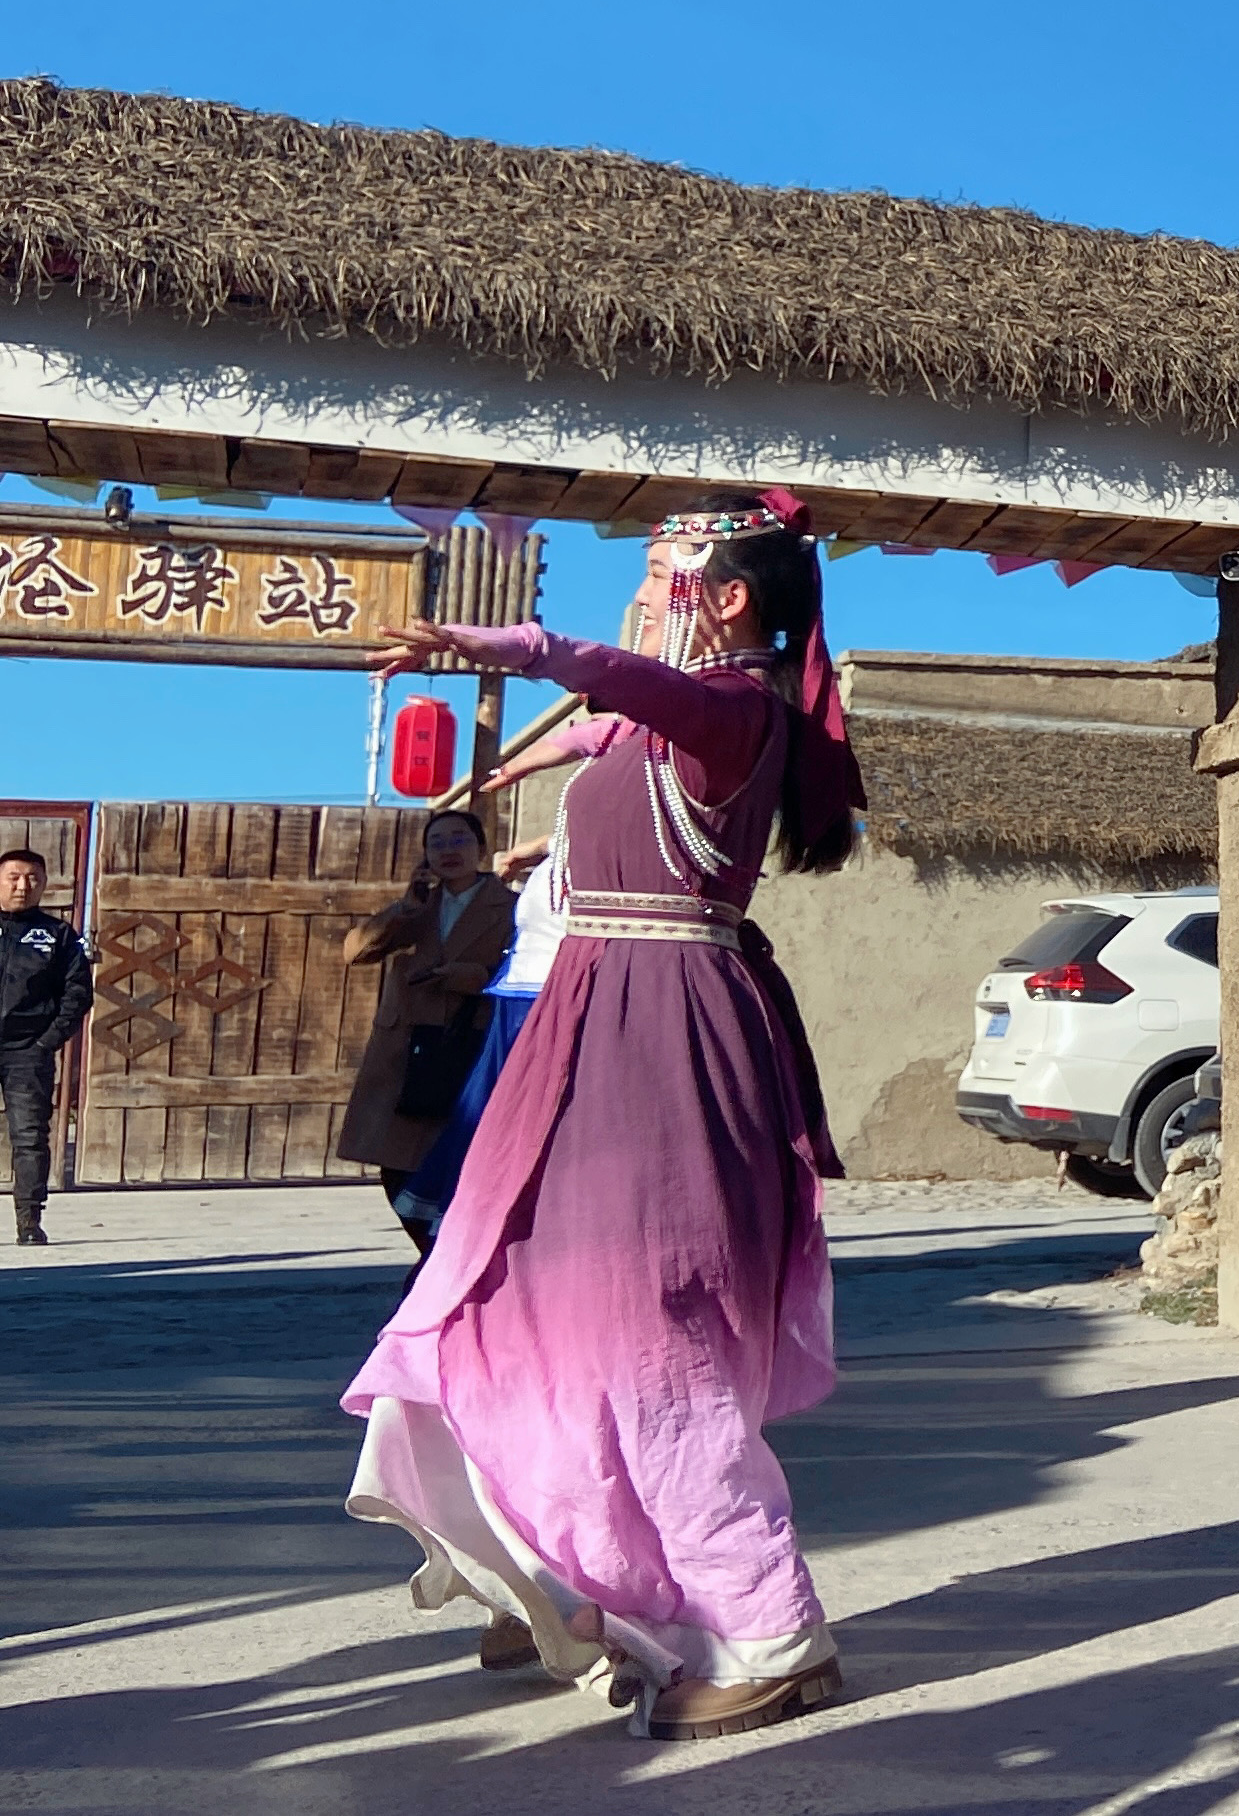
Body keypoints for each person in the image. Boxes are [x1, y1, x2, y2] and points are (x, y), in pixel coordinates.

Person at [341, 493, 865, 1741]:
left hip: (665, 1039)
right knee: (510, 1294)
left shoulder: (734, 713)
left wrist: (489, 646)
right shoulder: (653, 726)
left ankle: (771, 1625)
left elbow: (613, 673)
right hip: (593, 1027)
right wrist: (516, 759)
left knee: (649, 1335)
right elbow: (603, 722)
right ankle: (560, 1576)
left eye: (659, 575)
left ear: (726, 600)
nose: (639, 594)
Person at [388, 716, 622, 1241]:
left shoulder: (631, 788)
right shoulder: (422, 902)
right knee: (479, 1123)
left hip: (544, 992)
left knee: (519, 1121)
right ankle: (462, 1228)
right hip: (503, 999)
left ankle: (500, 1224)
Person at [337, 807, 515, 1251]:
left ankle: (447, 1261)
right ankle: (431, 1257)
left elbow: (522, 968)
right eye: (437, 843)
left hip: (465, 1043)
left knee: (453, 1156)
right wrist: (405, 907)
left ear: (481, 848)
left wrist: (470, 974)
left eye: (459, 840)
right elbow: (355, 953)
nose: (448, 851)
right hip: (404, 1049)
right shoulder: (419, 907)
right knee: (394, 1164)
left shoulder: (509, 906)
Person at [0, 847, 90, 1246]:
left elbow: (78, 993)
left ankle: (29, 1222)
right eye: (14, 877)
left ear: (44, 884)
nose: (23, 885)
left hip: (26, 1052)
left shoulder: (58, 936)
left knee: (30, 1136)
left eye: (33, 878)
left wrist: (46, 1043)